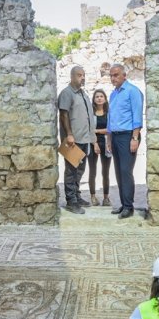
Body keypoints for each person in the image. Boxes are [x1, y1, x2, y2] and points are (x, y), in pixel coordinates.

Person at [107, 63, 144, 219]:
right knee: (118, 171)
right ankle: (123, 204)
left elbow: (137, 116)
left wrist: (134, 138)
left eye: (116, 75)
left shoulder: (132, 91)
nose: (113, 78)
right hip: (115, 136)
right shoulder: (113, 94)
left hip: (128, 136)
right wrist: (109, 138)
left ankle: (129, 207)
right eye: (111, 75)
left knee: (125, 171)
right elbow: (110, 118)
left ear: (124, 75)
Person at [58, 65, 96, 214]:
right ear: (72, 76)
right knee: (71, 171)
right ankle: (71, 201)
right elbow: (64, 114)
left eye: (83, 75)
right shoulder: (67, 93)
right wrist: (69, 134)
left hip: (84, 138)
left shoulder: (82, 94)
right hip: (73, 140)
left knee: (80, 170)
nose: (82, 78)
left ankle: (77, 195)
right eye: (79, 75)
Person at [87, 89, 112, 207]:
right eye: (97, 96)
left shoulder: (109, 113)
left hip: (107, 144)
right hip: (93, 144)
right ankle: (93, 196)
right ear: (94, 99)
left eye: (101, 96)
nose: (99, 98)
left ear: (105, 99)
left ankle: (106, 198)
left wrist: (96, 130)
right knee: (92, 171)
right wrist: (95, 143)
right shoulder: (90, 114)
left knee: (105, 172)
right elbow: (88, 130)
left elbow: (111, 129)